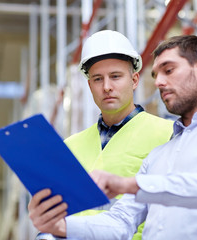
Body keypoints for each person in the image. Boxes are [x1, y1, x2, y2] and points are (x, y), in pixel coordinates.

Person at [28, 35, 197, 240]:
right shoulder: (159, 156)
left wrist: (129, 184)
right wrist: (59, 227)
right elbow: (120, 222)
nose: (159, 82)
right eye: (156, 75)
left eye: (168, 70)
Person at [33, 30, 173, 240]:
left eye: (115, 76)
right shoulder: (70, 146)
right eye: (98, 79)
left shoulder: (168, 134)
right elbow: (57, 217)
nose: (107, 87)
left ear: (134, 80)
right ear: (90, 85)